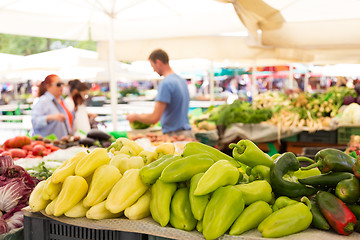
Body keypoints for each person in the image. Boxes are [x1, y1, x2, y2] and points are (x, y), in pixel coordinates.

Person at [126, 49, 193, 137]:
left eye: (152, 66)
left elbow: (154, 117)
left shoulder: (166, 84)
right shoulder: (181, 81)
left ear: (158, 62)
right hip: (187, 133)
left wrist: (135, 117)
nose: (153, 70)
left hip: (175, 135)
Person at [31, 74, 73, 139]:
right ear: (48, 86)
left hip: (63, 143)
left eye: (62, 84)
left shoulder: (61, 100)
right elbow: (35, 122)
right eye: (58, 84)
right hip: (50, 145)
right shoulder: (43, 101)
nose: (61, 87)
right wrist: (50, 117)